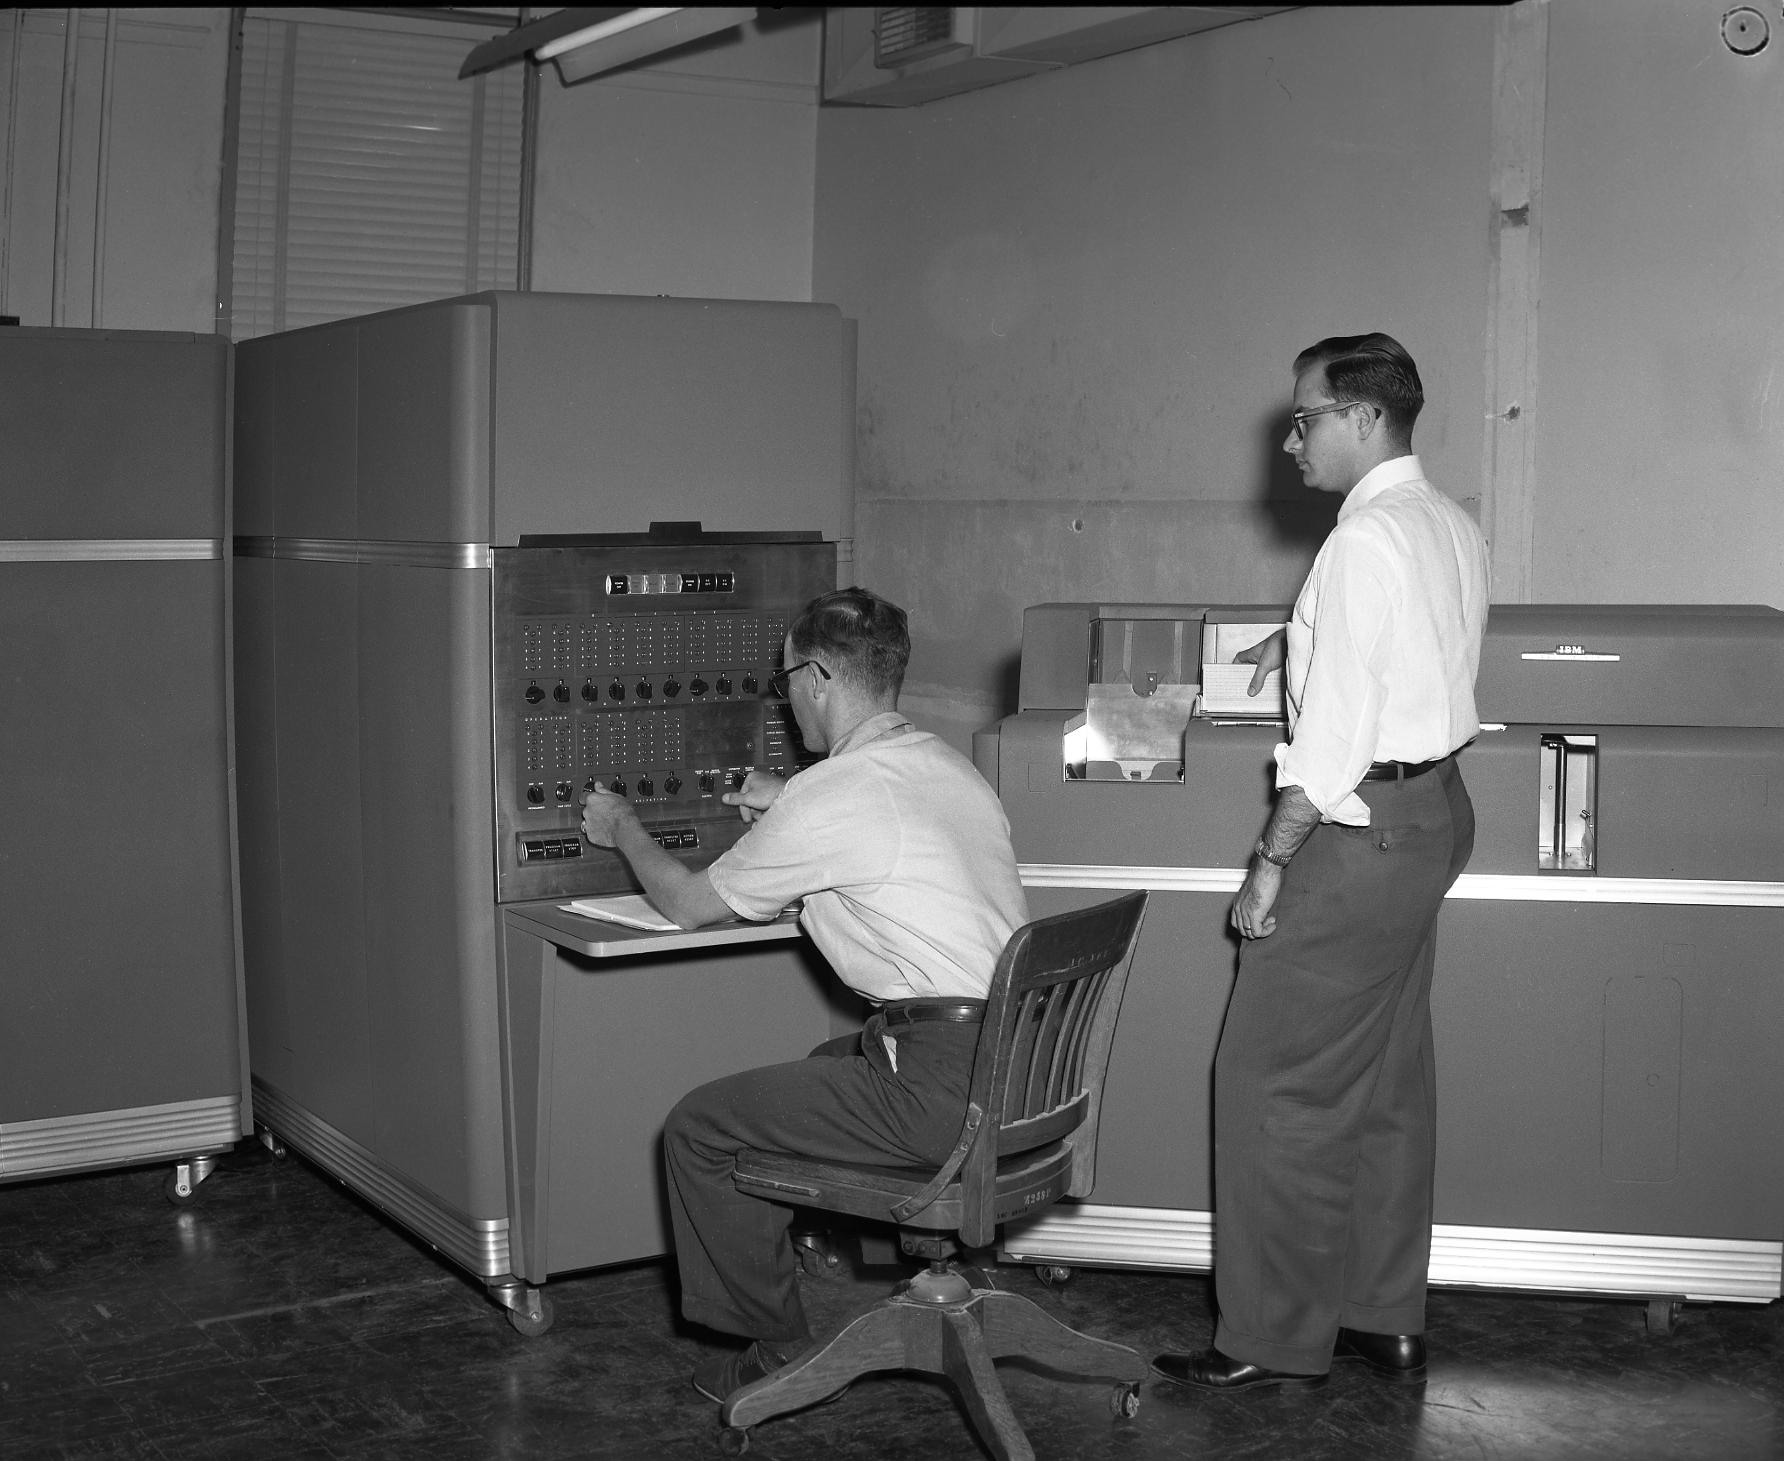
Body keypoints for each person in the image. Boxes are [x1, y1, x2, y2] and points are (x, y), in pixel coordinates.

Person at [579, 586, 1029, 1405]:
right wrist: (789, 802)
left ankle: (771, 1345)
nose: (786, 697)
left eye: (786, 678)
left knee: (701, 1127)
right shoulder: (945, 766)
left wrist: (624, 826)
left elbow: (685, 904)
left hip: (937, 1091)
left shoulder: (838, 792)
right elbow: (893, 849)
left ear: (819, 676)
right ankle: (864, 1262)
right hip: (1017, 1072)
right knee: (831, 1058)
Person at [1152, 333, 1490, 1392]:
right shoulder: (1442, 522)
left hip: (1354, 834)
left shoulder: (1359, 543)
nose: (1289, 438)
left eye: (1304, 417)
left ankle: (1266, 1337)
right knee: (1386, 1080)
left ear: (1362, 419)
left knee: (1273, 1088)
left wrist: (1266, 862)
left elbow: (1334, 739)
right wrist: (1290, 645)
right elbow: (1397, 661)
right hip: (1431, 812)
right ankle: (1379, 1313)